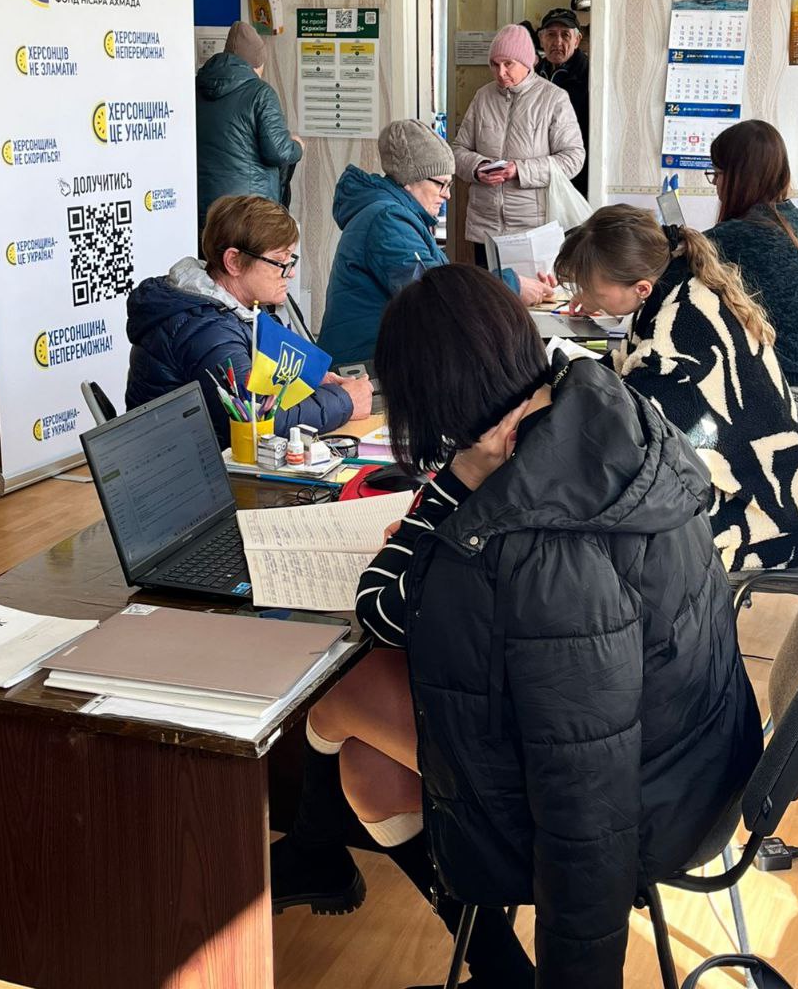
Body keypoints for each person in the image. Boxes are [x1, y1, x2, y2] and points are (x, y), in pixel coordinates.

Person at [271, 265, 761, 988]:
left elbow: (585, 800)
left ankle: (314, 852)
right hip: (694, 745)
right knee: (367, 770)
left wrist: (456, 483)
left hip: (649, 800)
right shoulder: (594, 407)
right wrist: (464, 483)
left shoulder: (538, 543)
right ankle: (495, 966)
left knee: (346, 692)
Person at [555, 205, 798, 572]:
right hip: (773, 500)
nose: (584, 296)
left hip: (763, 523)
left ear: (640, 288)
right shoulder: (677, 289)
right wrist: (562, 375)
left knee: (589, 542)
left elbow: (632, 432)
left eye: (590, 287)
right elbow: (623, 370)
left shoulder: (677, 332)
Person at [125, 195, 371, 446]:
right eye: (280, 261)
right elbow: (259, 422)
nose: (291, 272)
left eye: (290, 260)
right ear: (233, 261)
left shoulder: (233, 307)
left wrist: (312, 379)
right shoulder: (205, 330)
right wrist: (345, 401)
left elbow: (265, 375)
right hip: (191, 462)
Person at [317, 119, 556, 365]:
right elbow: (435, 295)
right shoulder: (387, 220)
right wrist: (511, 286)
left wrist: (514, 282)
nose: (448, 194)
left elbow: (440, 280)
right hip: (367, 365)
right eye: (442, 184)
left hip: (382, 355)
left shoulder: (394, 215)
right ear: (409, 180)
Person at [705, 120, 798, 449]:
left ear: (737, 177)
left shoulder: (737, 235)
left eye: (717, 174)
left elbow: (667, 268)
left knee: (681, 442)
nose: (715, 184)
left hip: (794, 406)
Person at [452, 24, 584, 265]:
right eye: (494, 64)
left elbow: (573, 158)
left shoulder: (554, 98)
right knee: (487, 290)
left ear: (527, 62)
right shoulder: (483, 97)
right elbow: (458, 150)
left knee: (528, 291)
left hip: (532, 230)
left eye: (508, 64)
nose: (500, 72)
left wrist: (519, 170)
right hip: (485, 229)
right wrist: (477, 167)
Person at [195, 21, 303, 237]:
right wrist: (297, 146)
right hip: (249, 211)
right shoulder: (260, 93)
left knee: (212, 256)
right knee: (247, 258)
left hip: (205, 207)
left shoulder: (195, 87)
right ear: (258, 62)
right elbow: (278, 152)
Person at [527, 7, 590, 197]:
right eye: (551, 35)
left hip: (576, 174)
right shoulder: (532, 75)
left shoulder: (590, 76)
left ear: (577, 40)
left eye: (565, 35)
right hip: (536, 172)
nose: (558, 42)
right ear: (541, 39)